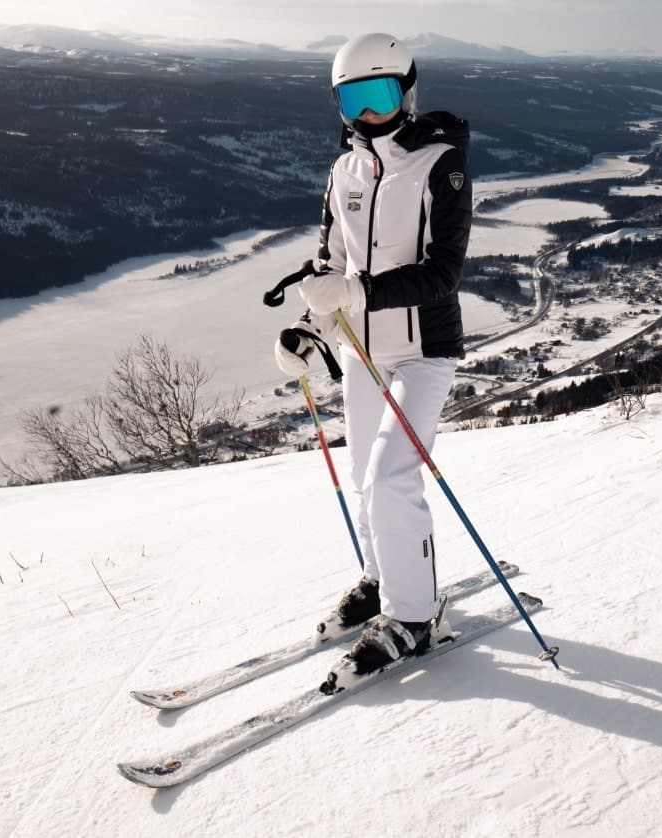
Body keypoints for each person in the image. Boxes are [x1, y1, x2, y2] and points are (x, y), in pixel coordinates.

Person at [274, 32, 472, 677]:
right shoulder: (344, 171)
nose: (366, 115)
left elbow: (443, 273)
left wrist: (357, 290)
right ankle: (380, 579)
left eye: (379, 96)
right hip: (362, 351)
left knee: (392, 475)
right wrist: (310, 327)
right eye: (352, 99)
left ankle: (416, 615)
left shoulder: (441, 165)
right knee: (365, 476)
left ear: (407, 93)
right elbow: (331, 263)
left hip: (424, 351)